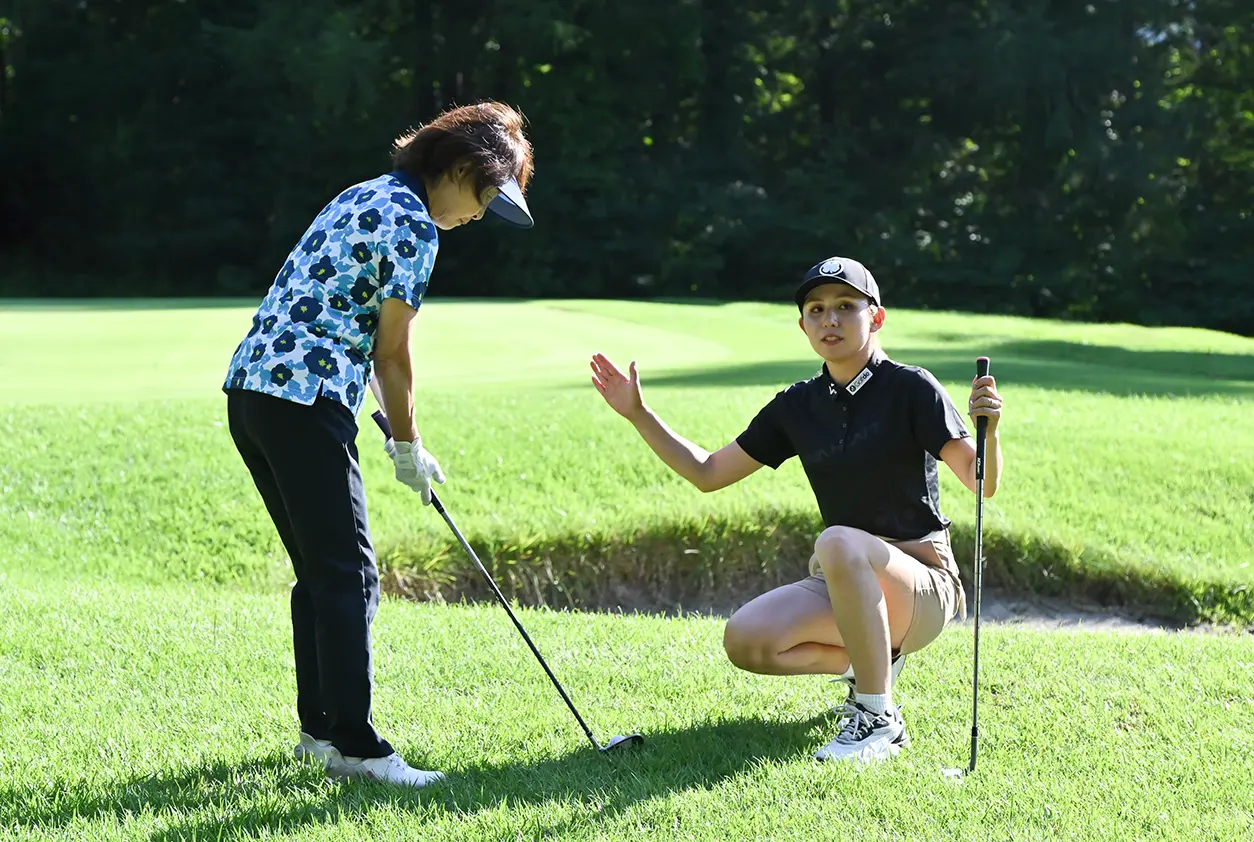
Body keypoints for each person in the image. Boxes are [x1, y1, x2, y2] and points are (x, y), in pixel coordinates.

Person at [222, 101, 534, 787]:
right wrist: (407, 444)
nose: (481, 214)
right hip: (304, 400)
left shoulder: (363, 194)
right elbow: (393, 355)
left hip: (253, 393)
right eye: (484, 195)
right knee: (351, 574)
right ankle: (359, 747)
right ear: (455, 170)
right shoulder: (416, 226)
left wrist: (392, 427)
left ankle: (322, 736)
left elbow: (337, 312)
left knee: (322, 572)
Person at [589, 256, 1003, 763]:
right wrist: (639, 414)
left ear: (876, 318)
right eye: (817, 308)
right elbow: (708, 472)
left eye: (846, 306)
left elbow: (979, 480)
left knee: (837, 541)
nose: (830, 319)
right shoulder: (797, 406)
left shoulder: (912, 387)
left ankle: (878, 717)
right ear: (803, 323)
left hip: (924, 586)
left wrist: (992, 432)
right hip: (846, 578)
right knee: (747, 640)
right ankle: (871, 663)